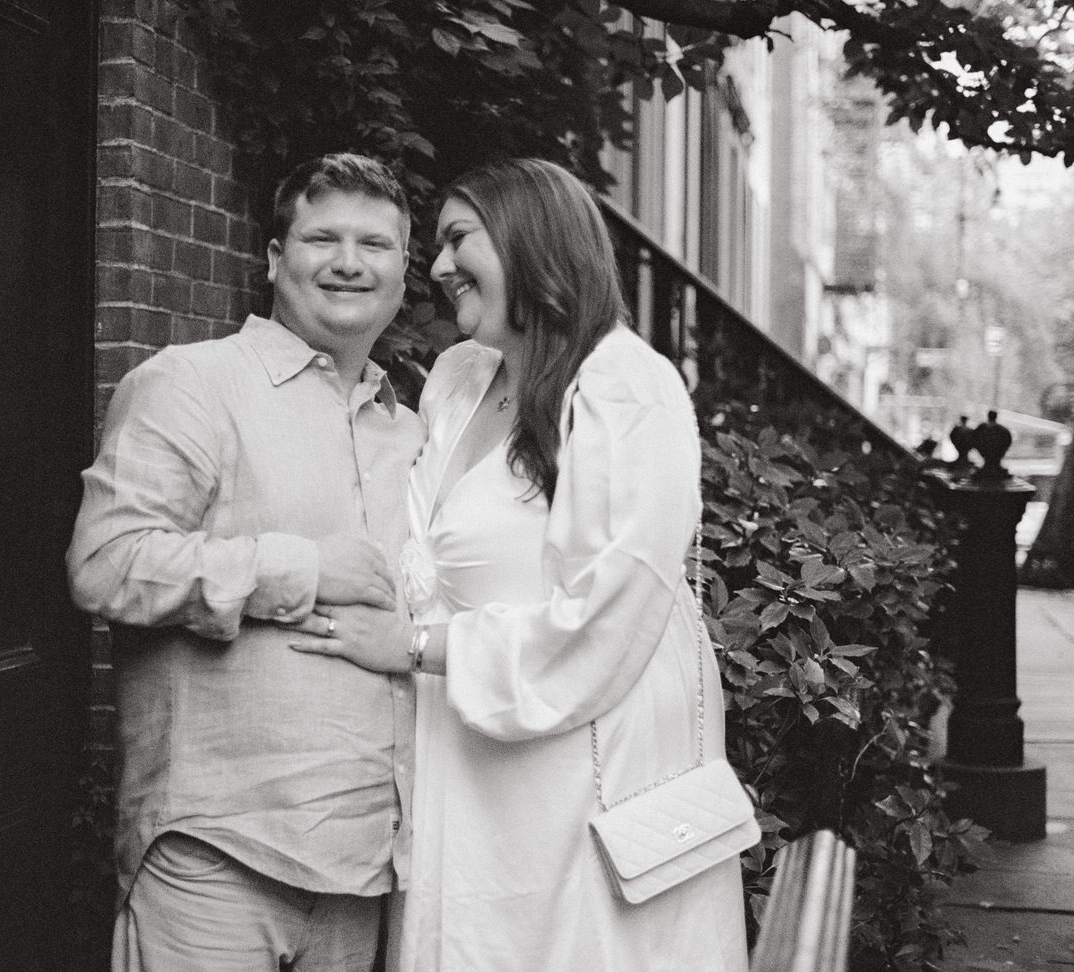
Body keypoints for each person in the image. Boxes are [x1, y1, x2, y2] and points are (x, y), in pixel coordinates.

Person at [287, 158, 751, 970]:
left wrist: (421, 650)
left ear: (534, 239)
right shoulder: (461, 381)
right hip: (458, 771)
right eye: (434, 246)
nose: (436, 267)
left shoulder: (624, 391)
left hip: (569, 787)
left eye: (458, 238)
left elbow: (611, 616)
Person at [66, 153, 424, 972]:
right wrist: (299, 570)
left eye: (375, 244)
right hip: (218, 854)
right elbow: (106, 561)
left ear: (404, 272)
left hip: (367, 867)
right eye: (321, 237)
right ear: (273, 258)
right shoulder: (191, 385)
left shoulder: (415, 429)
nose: (347, 262)